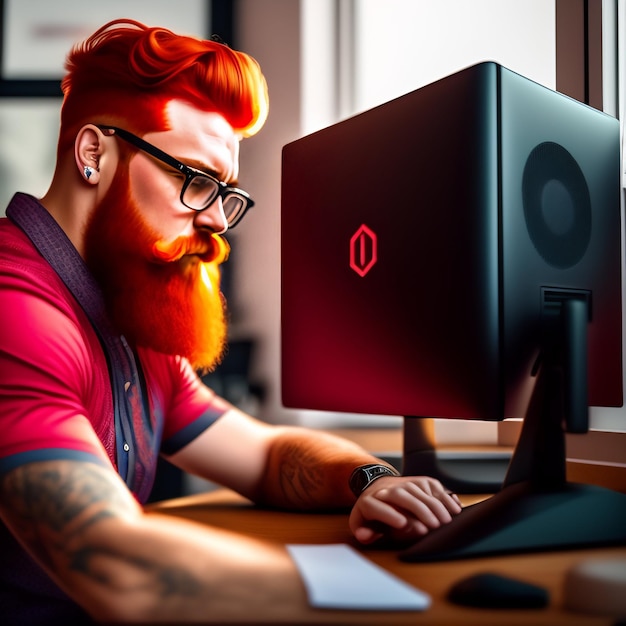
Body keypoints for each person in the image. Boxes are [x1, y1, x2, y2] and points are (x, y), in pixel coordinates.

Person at [0, 19, 462, 623]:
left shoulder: (129, 308)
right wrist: (412, 603)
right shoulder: (18, 308)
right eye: (194, 179)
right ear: (93, 154)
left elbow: (266, 455)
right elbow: (115, 565)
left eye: (226, 192)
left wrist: (369, 479)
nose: (217, 219)